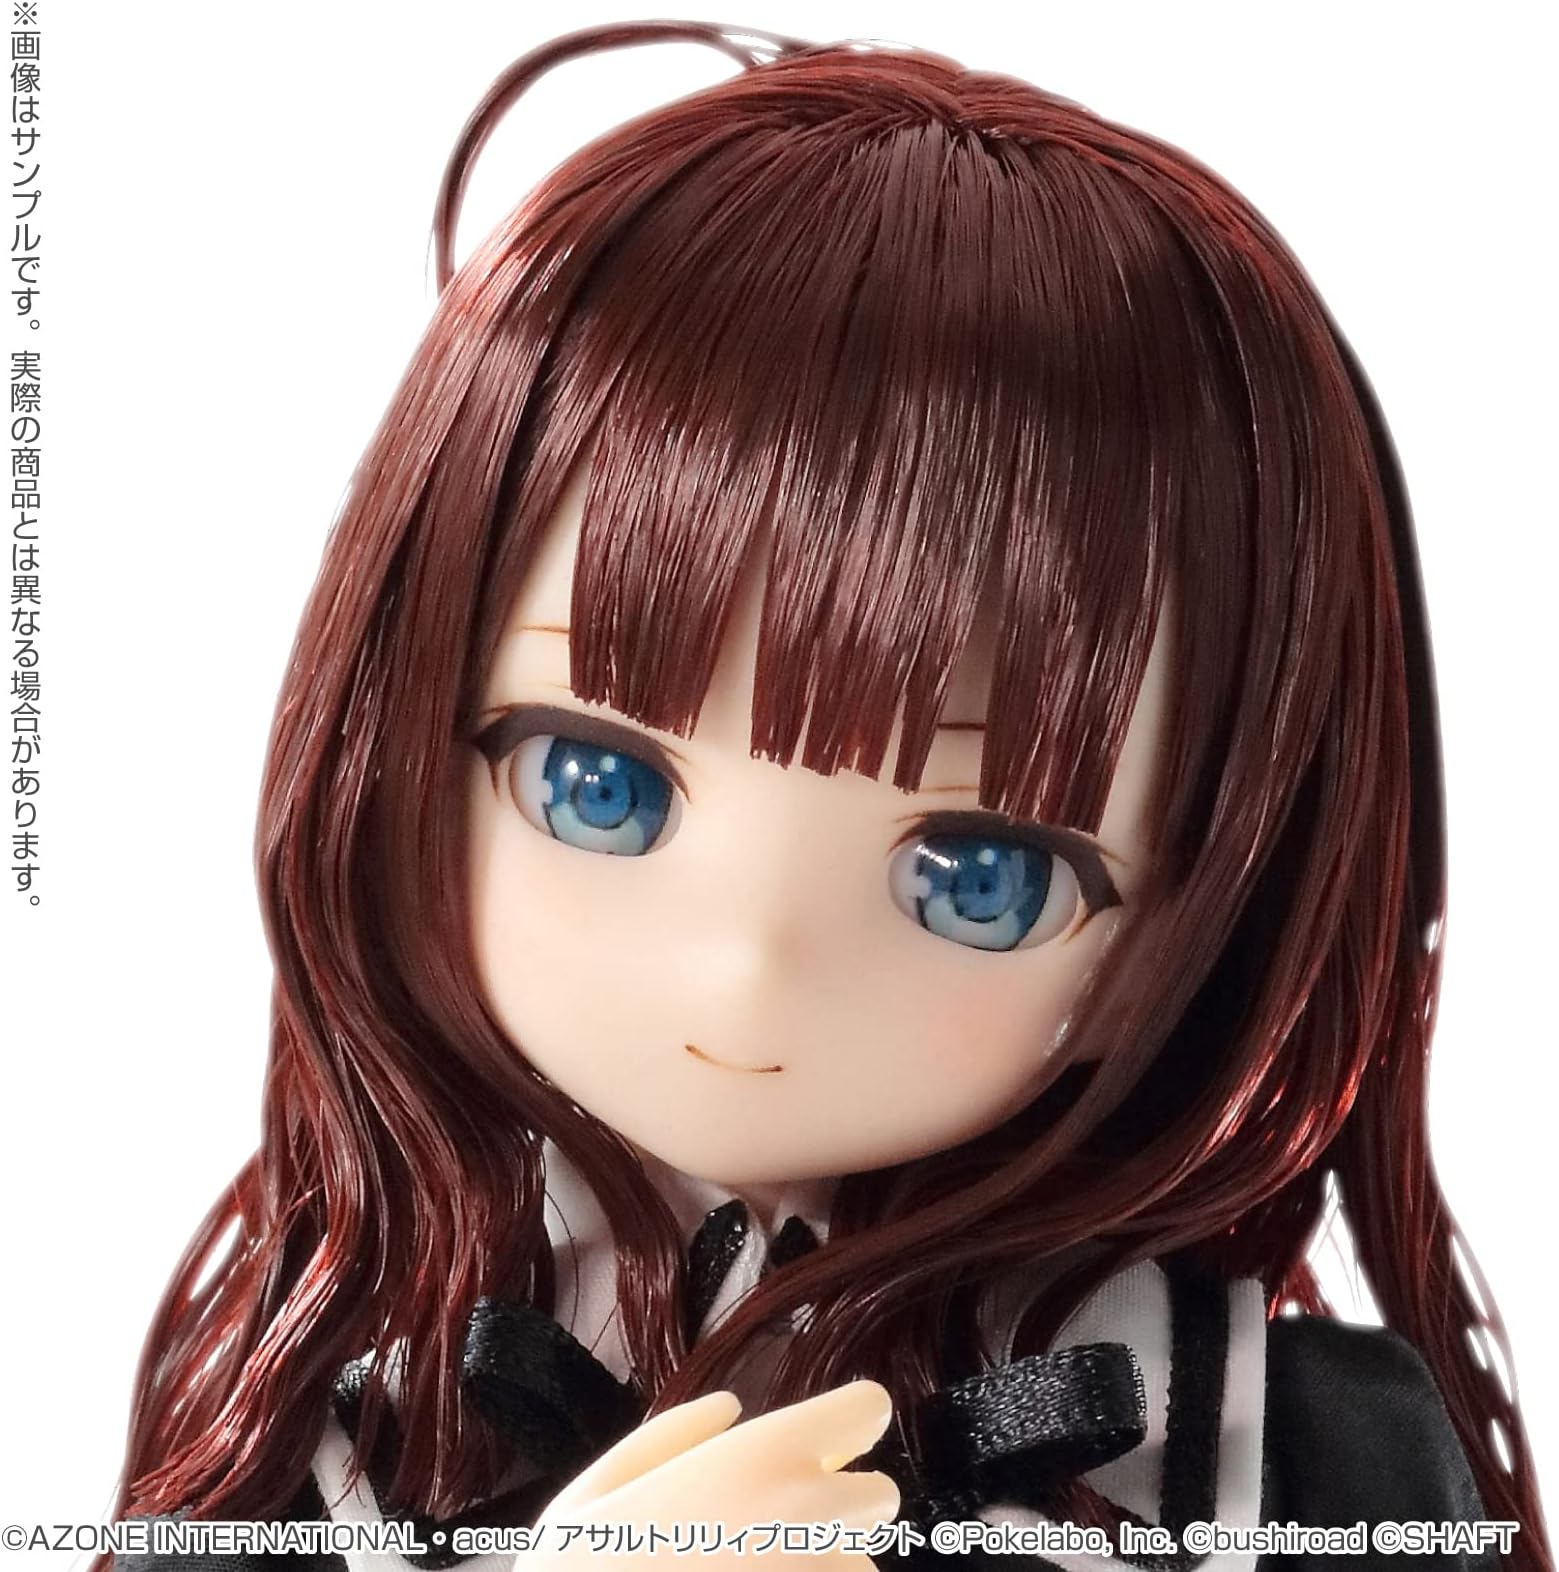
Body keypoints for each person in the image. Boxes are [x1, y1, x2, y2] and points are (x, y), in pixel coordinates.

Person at [110, 22, 1548, 1572]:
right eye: (597, 786)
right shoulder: (344, 1420)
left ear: (1199, 915)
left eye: (979, 876)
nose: (750, 965)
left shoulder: (1295, 1454)